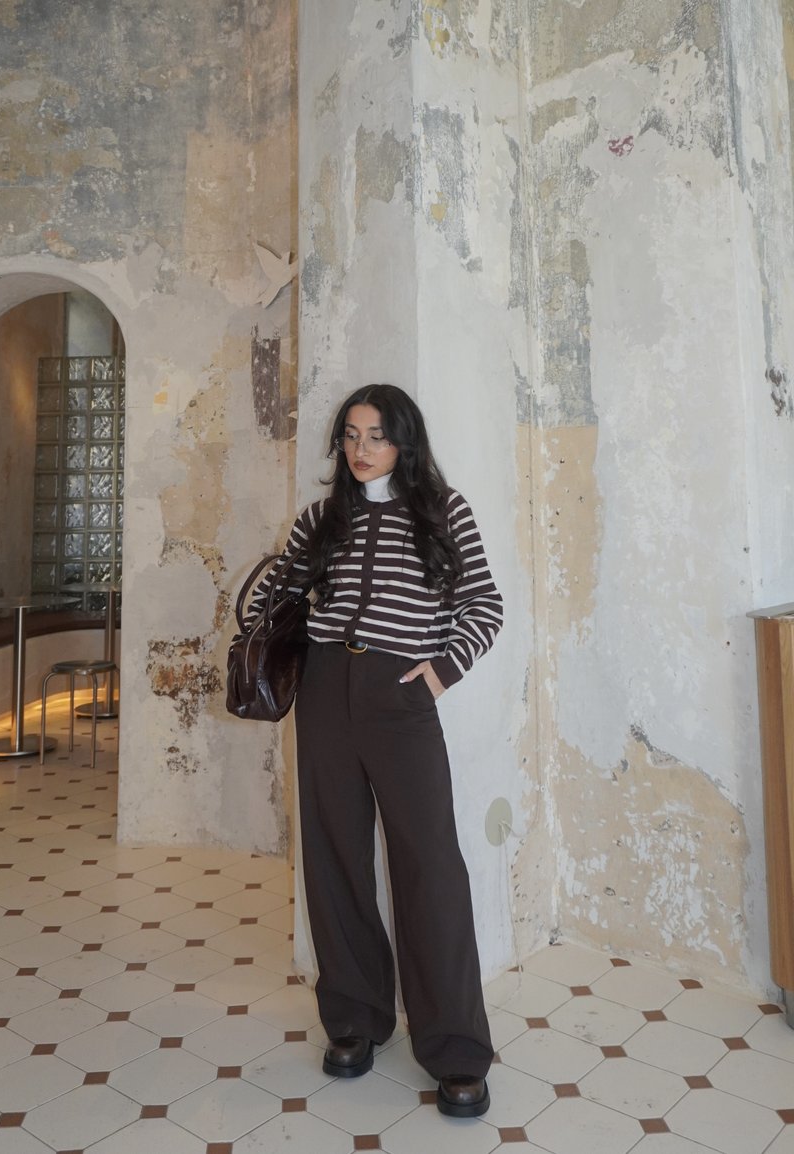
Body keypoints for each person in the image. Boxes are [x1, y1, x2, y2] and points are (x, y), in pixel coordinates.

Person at [244, 383, 503, 1117]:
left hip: (401, 696)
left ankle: (456, 1048)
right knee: (333, 856)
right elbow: (277, 601)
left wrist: (439, 674)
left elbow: (484, 601)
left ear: (405, 443)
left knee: (432, 866)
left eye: (377, 437)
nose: (361, 450)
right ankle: (355, 1018)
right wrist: (285, 617)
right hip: (327, 691)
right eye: (351, 436)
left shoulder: (441, 512)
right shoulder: (322, 519)